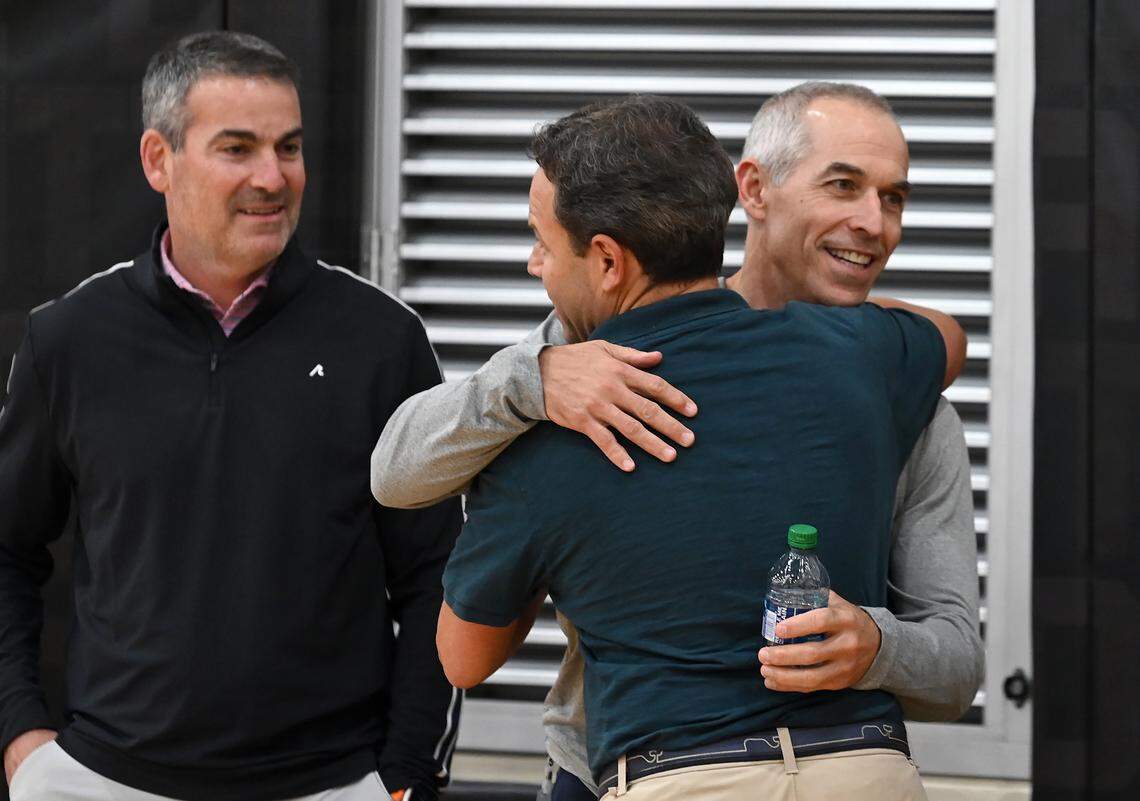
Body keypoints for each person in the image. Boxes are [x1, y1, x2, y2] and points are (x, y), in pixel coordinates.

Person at [371, 82, 983, 799]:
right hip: (607, 766)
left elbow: (956, 667)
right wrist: (531, 383)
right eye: (842, 185)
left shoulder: (902, 393)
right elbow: (396, 467)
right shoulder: (574, 364)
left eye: (895, 198)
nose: (872, 222)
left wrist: (880, 647)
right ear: (750, 189)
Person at [0, 31, 461, 801]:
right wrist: (21, 736)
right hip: (105, 781)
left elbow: (438, 574)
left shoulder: (383, 340)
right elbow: (8, 549)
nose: (272, 178)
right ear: (159, 160)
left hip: (334, 784)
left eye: (289, 147)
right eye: (237, 148)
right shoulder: (69, 340)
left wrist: (407, 774)